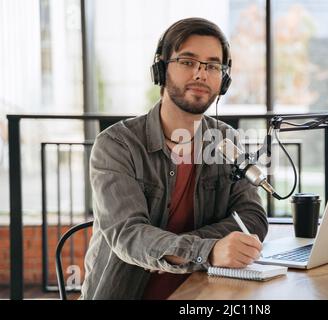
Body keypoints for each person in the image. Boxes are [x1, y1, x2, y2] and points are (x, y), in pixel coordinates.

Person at [80, 17, 268, 300]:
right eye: (188, 62)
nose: (201, 74)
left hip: (202, 292)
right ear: (160, 69)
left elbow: (252, 218)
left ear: (223, 80)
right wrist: (209, 250)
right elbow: (130, 236)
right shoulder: (117, 145)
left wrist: (179, 249)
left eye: (213, 66)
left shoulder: (226, 141)